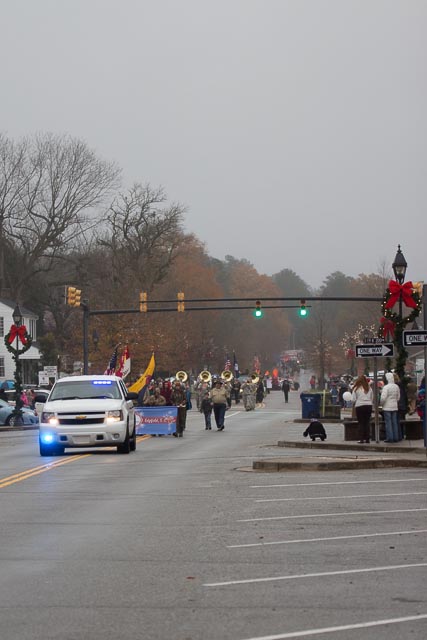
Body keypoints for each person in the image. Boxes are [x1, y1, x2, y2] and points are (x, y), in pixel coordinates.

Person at [351, 375, 373, 444]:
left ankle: (361, 438)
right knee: (367, 422)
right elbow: (372, 397)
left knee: (361, 422)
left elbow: (353, 399)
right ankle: (367, 438)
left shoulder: (356, 388)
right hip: (368, 405)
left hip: (360, 406)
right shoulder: (369, 388)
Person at [381, 372, 401, 442]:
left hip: (387, 407)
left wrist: (382, 404)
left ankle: (390, 438)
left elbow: (383, 398)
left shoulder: (386, 387)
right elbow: (398, 397)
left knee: (388, 423)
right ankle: (396, 437)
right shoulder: (396, 386)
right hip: (394, 406)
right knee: (394, 422)